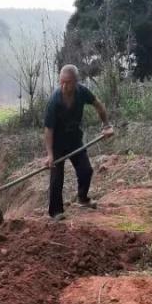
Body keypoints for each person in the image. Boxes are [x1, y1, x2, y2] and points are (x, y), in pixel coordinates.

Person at [43, 64, 114, 220]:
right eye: (61, 82)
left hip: (75, 139)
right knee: (57, 178)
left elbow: (99, 105)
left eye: (67, 82)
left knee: (86, 170)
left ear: (76, 81)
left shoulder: (82, 92)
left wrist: (106, 125)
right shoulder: (54, 101)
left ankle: (82, 198)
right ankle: (55, 212)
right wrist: (49, 155)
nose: (64, 85)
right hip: (58, 144)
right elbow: (48, 130)